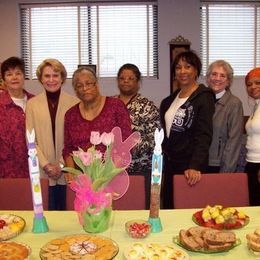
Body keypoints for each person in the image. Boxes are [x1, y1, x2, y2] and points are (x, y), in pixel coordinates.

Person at [160, 50, 215, 209]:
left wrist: (195, 165)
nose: (182, 71)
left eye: (187, 66)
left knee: (186, 210)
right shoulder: (169, 100)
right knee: (170, 208)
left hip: (190, 167)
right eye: (178, 68)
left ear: (196, 70)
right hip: (170, 164)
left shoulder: (204, 96)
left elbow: (204, 135)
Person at [26, 58, 79, 210]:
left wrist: (61, 165)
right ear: (41, 79)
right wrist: (46, 165)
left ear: (62, 78)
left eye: (55, 75)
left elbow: (75, 139)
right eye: (47, 76)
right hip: (43, 171)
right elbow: (30, 139)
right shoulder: (32, 104)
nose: (51, 80)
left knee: (67, 216)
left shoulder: (74, 103)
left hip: (68, 170)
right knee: (46, 213)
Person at [63, 67, 132, 171]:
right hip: (82, 177)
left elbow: (126, 142)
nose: (84, 88)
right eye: (79, 86)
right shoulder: (71, 115)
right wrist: (71, 173)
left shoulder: (116, 106)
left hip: (112, 174)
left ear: (96, 85)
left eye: (88, 83)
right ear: (75, 90)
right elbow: (68, 149)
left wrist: (110, 172)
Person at [116, 63, 160, 208]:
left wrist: (127, 149)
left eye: (131, 78)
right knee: (118, 207)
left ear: (138, 82)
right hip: (113, 169)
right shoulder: (110, 104)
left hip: (140, 168)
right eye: (122, 78)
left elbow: (155, 138)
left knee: (140, 207)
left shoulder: (147, 106)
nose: (126, 81)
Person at [206, 60, 244, 173]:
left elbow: (234, 141)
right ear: (208, 78)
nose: (217, 78)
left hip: (219, 165)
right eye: (214, 74)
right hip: (199, 164)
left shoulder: (234, 104)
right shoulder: (202, 100)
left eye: (222, 75)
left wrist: (226, 172)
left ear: (228, 81)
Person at [0, 56, 34, 178]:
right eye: (9, 74)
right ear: (3, 79)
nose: (14, 77)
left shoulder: (35, 102)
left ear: (24, 76)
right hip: (6, 171)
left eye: (18, 73)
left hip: (36, 169)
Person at [244, 67, 260, 206]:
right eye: (249, 84)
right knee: (254, 205)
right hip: (251, 163)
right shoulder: (256, 106)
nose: (253, 87)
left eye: (257, 82)